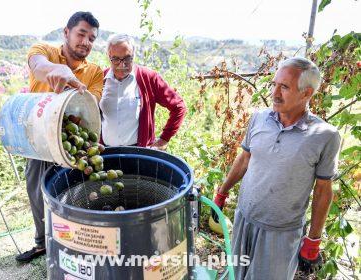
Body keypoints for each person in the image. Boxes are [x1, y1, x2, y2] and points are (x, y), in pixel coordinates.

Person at [212, 57, 340, 279]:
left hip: (281, 232)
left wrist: (313, 239)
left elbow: (323, 190)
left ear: (306, 93)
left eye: (285, 87)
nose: (275, 93)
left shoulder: (324, 136)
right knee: (236, 275)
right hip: (244, 219)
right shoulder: (260, 118)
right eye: (274, 84)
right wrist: (222, 194)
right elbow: (244, 159)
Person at [16, 11, 103, 263]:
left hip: (71, 142)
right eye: (81, 34)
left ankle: (74, 241)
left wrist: (72, 84)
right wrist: (55, 70)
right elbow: (38, 65)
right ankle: (43, 242)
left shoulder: (95, 72)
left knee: (74, 191)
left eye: (92, 39)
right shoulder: (44, 50)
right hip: (38, 140)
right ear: (66, 32)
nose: (86, 42)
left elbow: (91, 103)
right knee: (36, 189)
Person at [100, 34, 186, 150]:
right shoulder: (100, 79)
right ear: (109, 56)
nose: (122, 64)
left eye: (127, 58)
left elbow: (179, 106)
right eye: (115, 59)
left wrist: (164, 139)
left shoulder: (148, 78)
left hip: (139, 154)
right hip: (107, 154)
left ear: (134, 56)